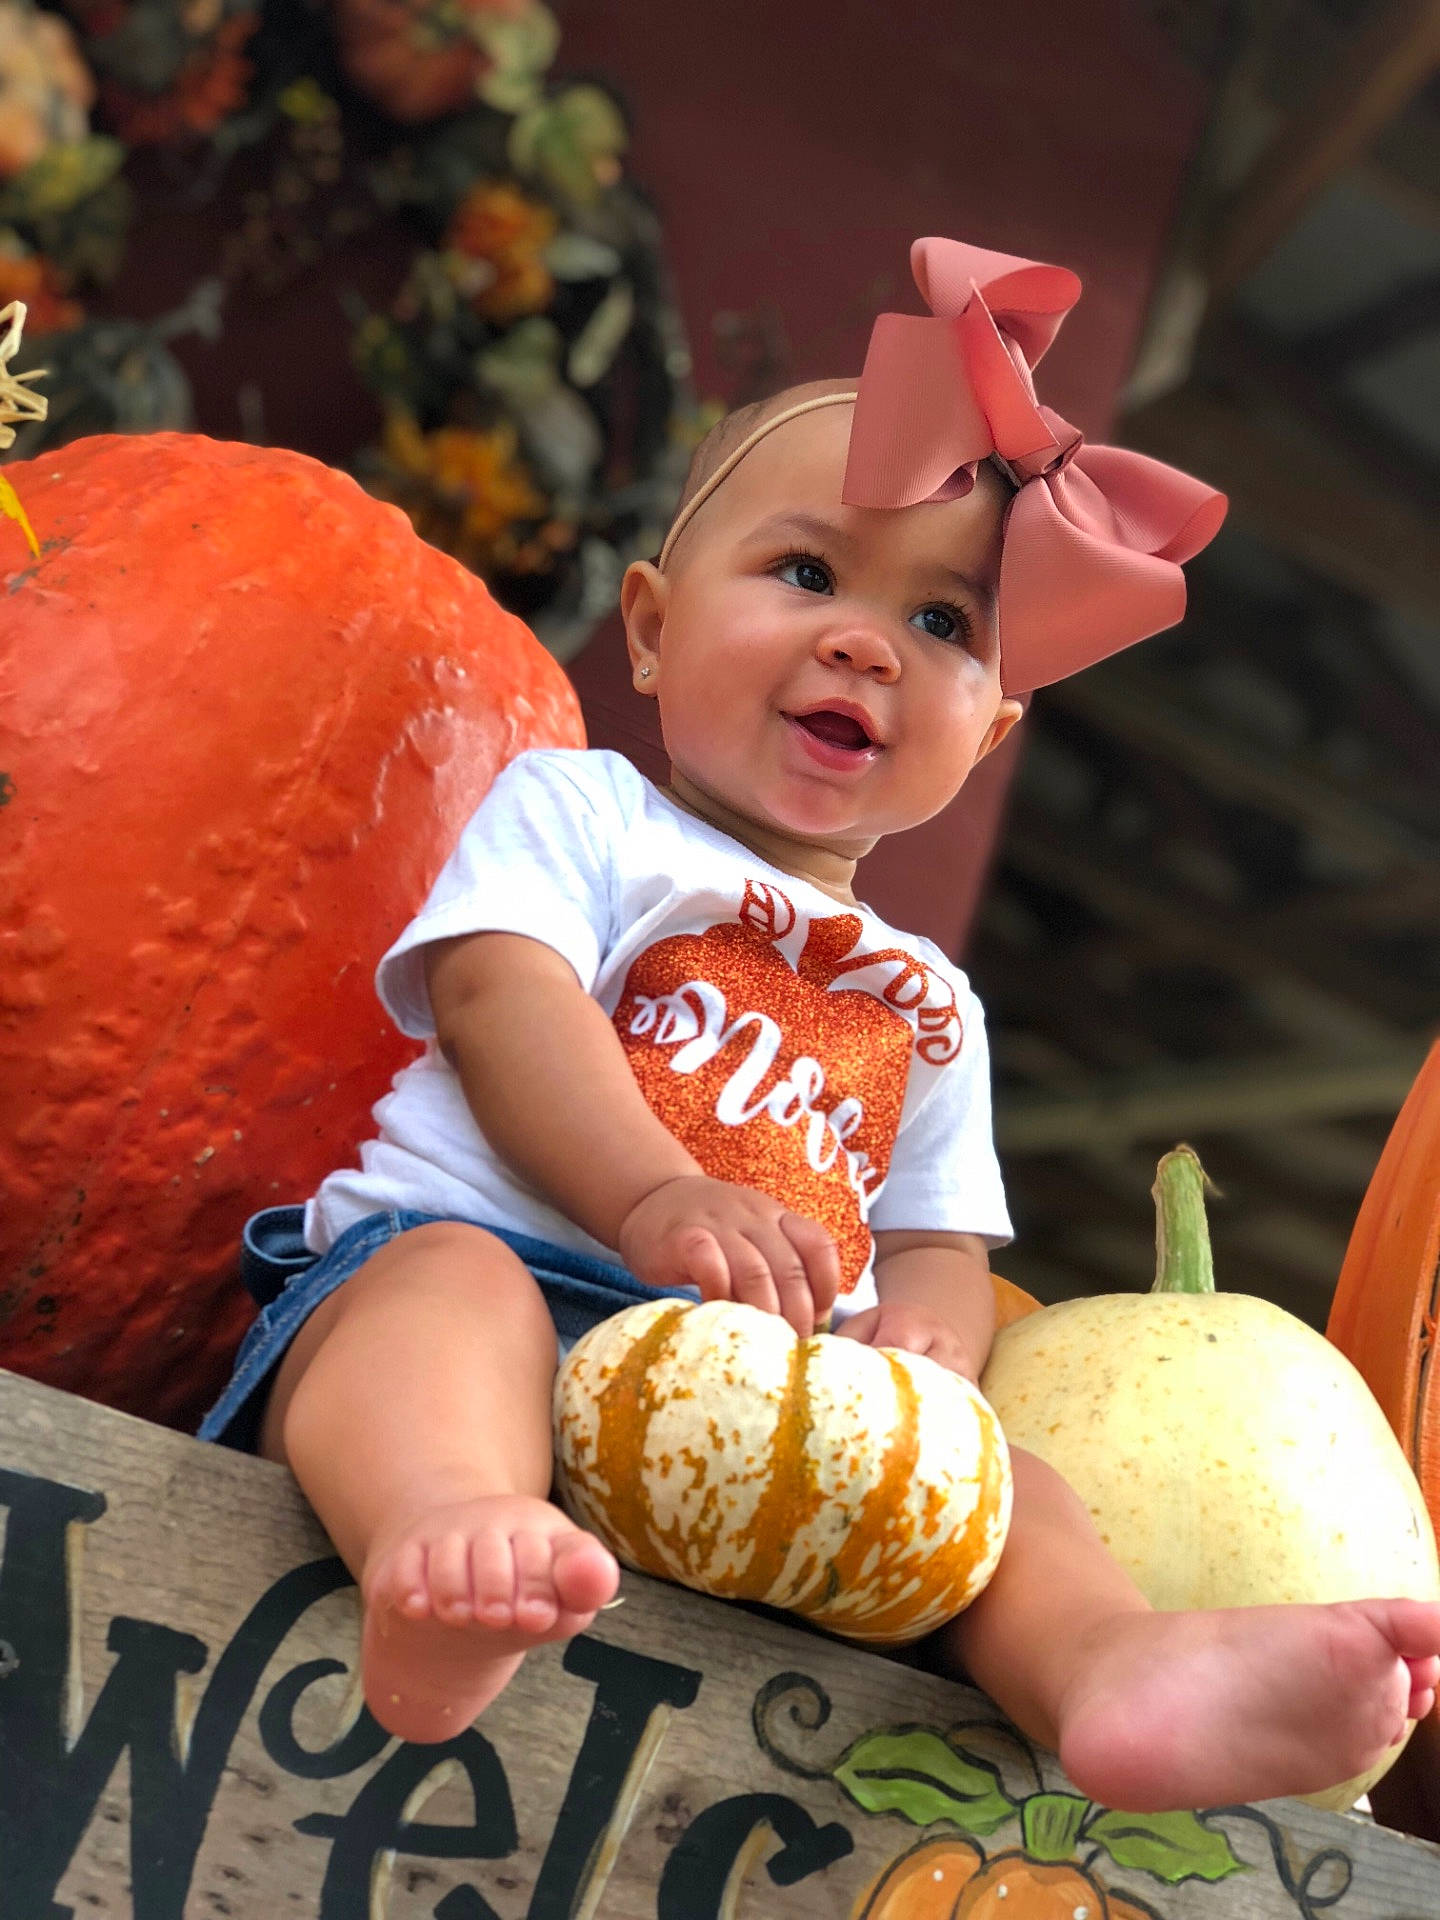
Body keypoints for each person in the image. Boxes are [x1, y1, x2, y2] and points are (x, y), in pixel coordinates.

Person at [201, 239, 1440, 1810]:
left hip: (760, 1431)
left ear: (988, 737)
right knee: (439, 1299)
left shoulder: (932, 1004)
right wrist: (653, 1194)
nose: (867, 640)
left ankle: (1111, 1667)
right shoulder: (585, 812)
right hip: (508, 1285)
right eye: (806, 575)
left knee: (1008, 1481)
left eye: (943, 623)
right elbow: (500, 999)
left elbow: (937, 1245)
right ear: (650, 628)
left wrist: (928, 1344)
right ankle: (440, 1538)